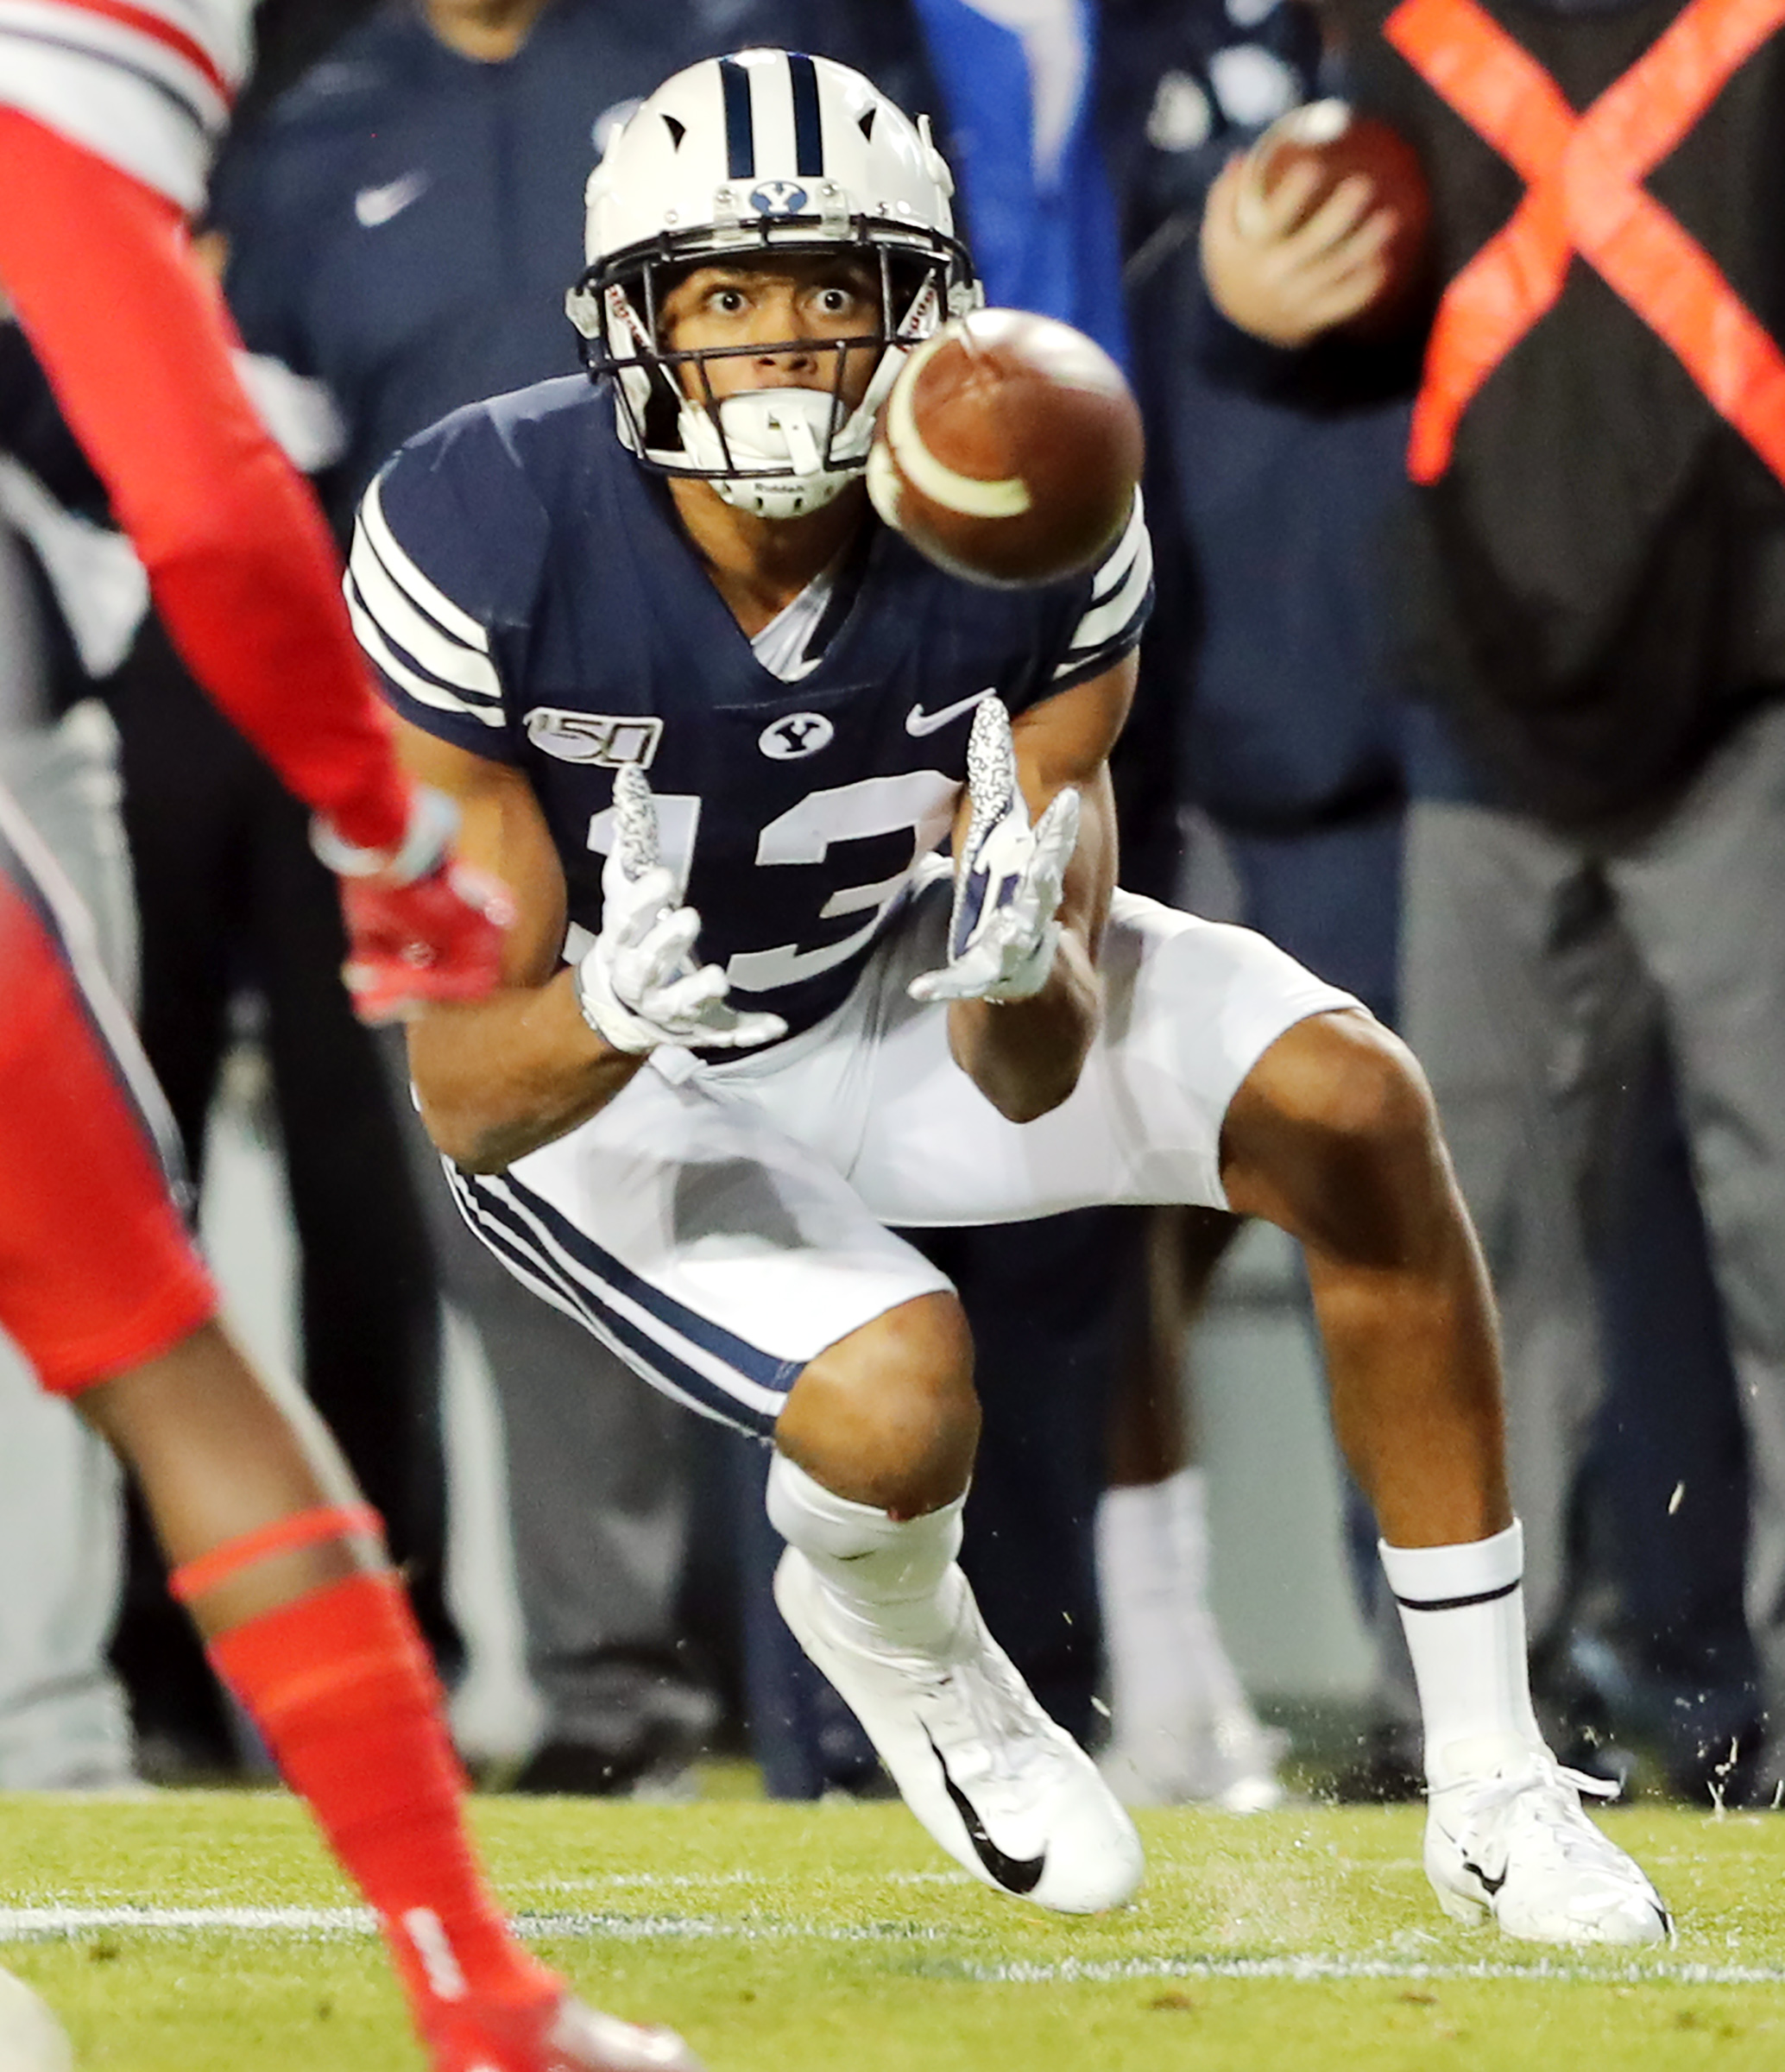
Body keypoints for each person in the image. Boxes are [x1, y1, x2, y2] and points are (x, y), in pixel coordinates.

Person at [359, 46, 1667, 1942]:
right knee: (901, 1412)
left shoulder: (1029, 501)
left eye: (838, 290)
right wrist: (608, 1012)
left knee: (1351, 1106)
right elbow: (465, 1094)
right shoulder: (481, 523)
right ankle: (909, 1640)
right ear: (625, 320)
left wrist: (1010, 942)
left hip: (894, 992)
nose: (785, 344)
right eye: (724, 294)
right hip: (620, 1072)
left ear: (929, 310)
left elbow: (1035, 1073)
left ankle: (1485, 1776)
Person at [1198, 0, 1785, 1799]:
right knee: (1458, 1240)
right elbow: (1301, 301)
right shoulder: (1392, 25)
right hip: (1472, 686)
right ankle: (1460, 1713)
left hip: (1754, 675)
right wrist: (1249, 293)